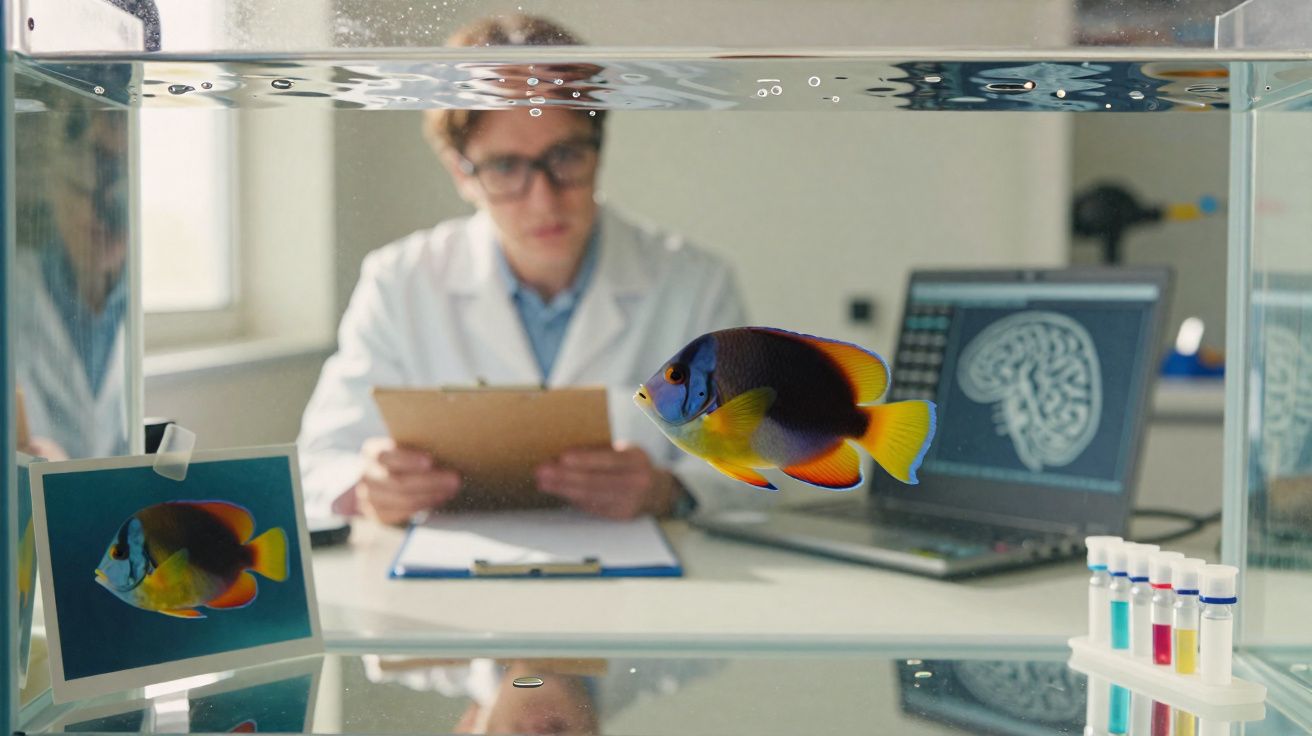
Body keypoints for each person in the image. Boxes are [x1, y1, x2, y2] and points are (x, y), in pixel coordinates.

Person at [297, 14, 759, 526]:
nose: (543, 199)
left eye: (564, 155)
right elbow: (319, 462)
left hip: (643, 587)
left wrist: (668, 489)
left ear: (598, 146)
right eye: (505, 166)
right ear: (461, 172)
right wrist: (367, 486)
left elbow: (761, 469)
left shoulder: (693, 284)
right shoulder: (399, 282)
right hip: (447, 585)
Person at [14, 108, 131, 461]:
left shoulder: (141, 302)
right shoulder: (13, 289)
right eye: (85, 181)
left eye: (118, 187)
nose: (99, 211)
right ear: (55, 183)